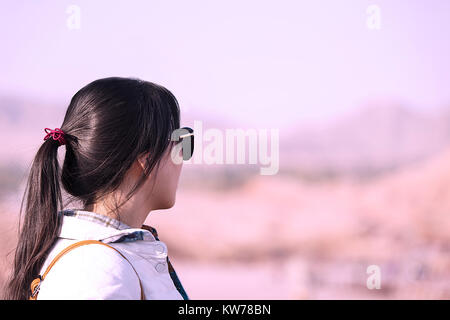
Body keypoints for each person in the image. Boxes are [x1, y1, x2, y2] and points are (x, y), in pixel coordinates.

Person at [4, 77, 193, 300]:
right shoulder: (100, 271)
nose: (184, 157)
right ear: (146, 160)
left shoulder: (102, 262)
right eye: (182, 142)